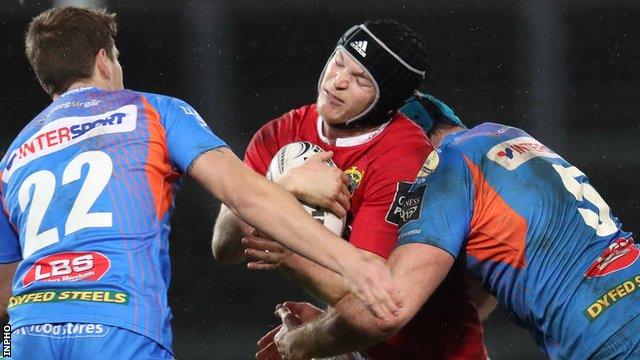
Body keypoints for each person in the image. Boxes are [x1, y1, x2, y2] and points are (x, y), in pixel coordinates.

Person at [0, 7, 401, 359]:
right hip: (118, 324)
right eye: (117, 60)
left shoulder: (13, 158)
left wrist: (9, 345)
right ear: (104, 61)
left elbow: (4, 295)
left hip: (28, 333)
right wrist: (353, 262)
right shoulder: (153, 111)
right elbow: (242, 194)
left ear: (45, 81)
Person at [258, 92, 640, 360]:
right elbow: (467, 296)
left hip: (605, 332)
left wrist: (303, 342)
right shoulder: (505, 136)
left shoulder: (444, 168)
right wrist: (337, 323)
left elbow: (387, 311)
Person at [213, 20, 490, 359]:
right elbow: (224, 245)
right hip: (359, 346)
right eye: (339, 61)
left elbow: (370, 294)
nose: (338, 81)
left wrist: (286, 246)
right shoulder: (280, 132)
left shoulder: (403, 157)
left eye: (361, 80)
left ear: (386, 99)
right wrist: (281, 186)